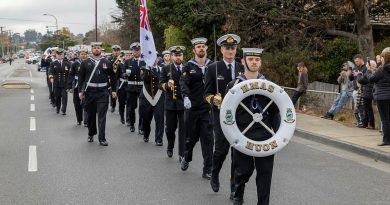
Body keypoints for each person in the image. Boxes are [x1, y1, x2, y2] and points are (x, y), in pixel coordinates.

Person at [225, 48, 280, 205]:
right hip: (242, 134)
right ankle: (238, 192)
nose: (254, 62)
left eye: (257, 60)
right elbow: (227, 114)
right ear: (243, 61)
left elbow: (276, 112)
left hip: (265, 135)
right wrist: (230, 135)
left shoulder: (270, 86)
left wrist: (278, 135)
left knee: (265, 173)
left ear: (260, 63)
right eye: (250, 59)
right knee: (243, 170)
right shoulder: (233, 85)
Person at [204, 34, 244, 197]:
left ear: (236, 50)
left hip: (239, 117)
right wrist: (214, 99)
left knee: (237, 152)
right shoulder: (213, 68)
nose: (230, 51)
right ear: (221, 50)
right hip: (220, 116)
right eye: (227, 48)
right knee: (221, 150)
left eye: (233, 48)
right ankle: (214, 173)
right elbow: (206, 93)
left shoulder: (242, 68)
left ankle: (234, 185)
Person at [180, 37, 213, 180]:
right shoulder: (188, 66)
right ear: (194, 50)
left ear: (206, 49)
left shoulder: (213, 66)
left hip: (207, 109)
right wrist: (185, 97)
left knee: (207, 140)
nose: (201, 48)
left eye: (203, 46)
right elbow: (183, 83)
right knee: (191, 139)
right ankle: (186, 157)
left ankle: (207, 169)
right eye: (198, 46)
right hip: (192, 109)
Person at [78, 42, 117, 146]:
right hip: (90, 92)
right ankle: (91, 133)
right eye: (94, 48)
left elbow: (113, 77)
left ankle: (102, 138)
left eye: (98, 48)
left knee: (102, 116)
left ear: (101, 49)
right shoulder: (85, 62)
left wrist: (114, 90)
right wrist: (80, 92)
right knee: (90, 115)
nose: (96, 49)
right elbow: (81, 77)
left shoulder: (107, 62)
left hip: (103, 92)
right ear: (91, 49)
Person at [159, 46, 186, 160]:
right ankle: (170, 146)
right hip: (171, 103)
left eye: (180, 55)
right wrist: (167, 85)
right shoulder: (166, 68)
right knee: (170, 129)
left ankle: (182, 153)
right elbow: (160, 85)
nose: (178, 57)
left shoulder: (187, 68)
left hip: (184, 103)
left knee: (183, 130)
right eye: (176, 55)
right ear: (171, 57)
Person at [139, 58, 165, 144]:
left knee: (160, 119)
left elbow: (162, 80)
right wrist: (149, 68)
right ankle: (146, 134)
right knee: (146, 118)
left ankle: (159, 139)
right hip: (146, 97)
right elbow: (145, 79)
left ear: (158, 60)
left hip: (159, 96)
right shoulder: (144, 68)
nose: (154, 60)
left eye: (155, 58)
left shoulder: (162, 69)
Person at [368, 47, 390, 146]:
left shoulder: (382, 70)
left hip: (382, 97)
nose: (380, 59)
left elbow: (371, 79)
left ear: (385, 59)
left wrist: (369, 71)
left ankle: (386, 140)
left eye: (382, 57)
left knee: (385, 119)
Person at [123, 42, 146, 134]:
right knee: (131, 108)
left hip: (142, 87)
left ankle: (141, 127)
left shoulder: (145, 61)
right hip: (131, 87)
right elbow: (122, 73)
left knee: (142, 108)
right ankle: (132, 124)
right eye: (134, 50)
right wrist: (125, 74)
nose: (136, 52)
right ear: (132, 51)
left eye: (138, 50)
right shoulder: (128, 61)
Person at [68, 48, 88, 125]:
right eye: (82, 54)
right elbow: (71, 75)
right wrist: (69, 86)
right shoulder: (75, 64)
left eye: (85, 54)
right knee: (77, 103)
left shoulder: (89, 63)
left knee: (86, 103)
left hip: (86, 85)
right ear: (79, 55)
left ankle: (86, 121)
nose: (83, 56)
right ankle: (79, 119)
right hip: (77, 85)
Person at [48, 49, 71, 115]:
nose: (60, 56)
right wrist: (51, 77)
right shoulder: (53, 63)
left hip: (64, 83)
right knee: (57, 97)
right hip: (56, 83)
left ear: (63, 55)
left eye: (61, 54)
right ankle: (58, 107)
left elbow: (70, 73)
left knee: (64, 97)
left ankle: (64, 110)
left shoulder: (67, 63)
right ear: (56, 55)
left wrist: (69, 82)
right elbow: (50, 72)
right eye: (58, 54)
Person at [349, 54, 368, 127]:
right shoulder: (355, 67)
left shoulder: (365, 67)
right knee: (357, 107)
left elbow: (366, 77)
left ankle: (362, 121)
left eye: (357, 61)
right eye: (355, 62)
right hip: (355, 89)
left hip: (362, 89)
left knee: (361, 106)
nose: (356, 63)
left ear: (361, 59)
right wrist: (351, 74)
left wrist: (359, 74)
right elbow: (351, 79)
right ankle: (359, 121)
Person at [358, 60, 376, 129]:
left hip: (368, 92)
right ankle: (366, 123)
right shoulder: (375, 72)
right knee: (367, 108)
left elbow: (361, 80)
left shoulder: (369, 72)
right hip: (370, 92)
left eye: (367, 65)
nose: (366, 66)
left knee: (368, 109)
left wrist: (359, 74)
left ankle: (371, 124)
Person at [116, 50, 132, 125]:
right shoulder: (120, 64)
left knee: (129, 103)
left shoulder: (132, 64)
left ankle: (128, 119)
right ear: (124, 56)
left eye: (129, 55)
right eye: (127, 55)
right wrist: (116, 87)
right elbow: (117, 76)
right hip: (122, 85)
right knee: (121, 103)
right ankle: (122, 116)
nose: (128, 56)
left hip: (129, 85)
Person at [108, 45, 122, 113]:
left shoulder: (122, 59)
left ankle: (121, 107)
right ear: (112, 51)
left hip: (120, 78)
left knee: (120, 94)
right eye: (114, 51)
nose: (116, 52)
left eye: (117, 51)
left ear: (119, 51)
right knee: (112, 92)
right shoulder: (109, 59)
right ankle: (113, 105)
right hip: (112, 78)